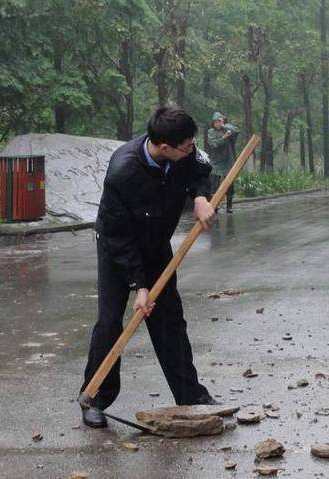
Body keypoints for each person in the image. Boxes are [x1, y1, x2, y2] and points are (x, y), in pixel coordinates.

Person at [80, 105, 218, 428]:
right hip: (119, 247)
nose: (191, 150)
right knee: (111, 321)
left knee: (169, 318)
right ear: (164, 147)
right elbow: (117, 236)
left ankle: (191, 395)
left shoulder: (184, 153)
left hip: (155, 244)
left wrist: (199, 196)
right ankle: (95, 398)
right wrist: (139, 286)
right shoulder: (122, 172)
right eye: (186, 147)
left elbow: (202, 170)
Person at [206, 111, 240, 213]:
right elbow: (214, 144)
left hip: (228, 161)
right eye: (216, 121)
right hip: (216, 161)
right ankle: (214, 205)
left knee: (229, 184)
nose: (218, 123)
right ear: (213, 123)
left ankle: (229, 206)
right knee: (214, 185)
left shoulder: (227, 128)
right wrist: (223, 138)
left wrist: (224, 125)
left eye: (220, 121)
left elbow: (237, 131)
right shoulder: (211, 132)